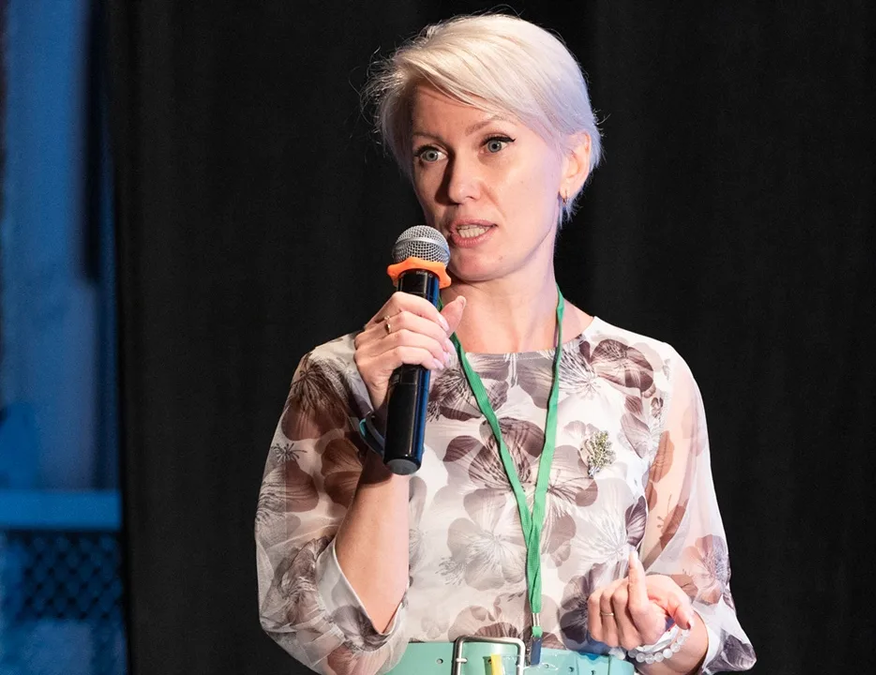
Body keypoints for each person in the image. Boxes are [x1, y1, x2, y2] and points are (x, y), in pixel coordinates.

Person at [255, 13, 755, 675]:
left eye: (494, 143)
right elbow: (330, 642)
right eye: (431, 152)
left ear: (571, 162)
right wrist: (384, 442)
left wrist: (657, 630)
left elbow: (711, 636)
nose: (457, 186)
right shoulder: (344, 374)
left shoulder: (644, 376)